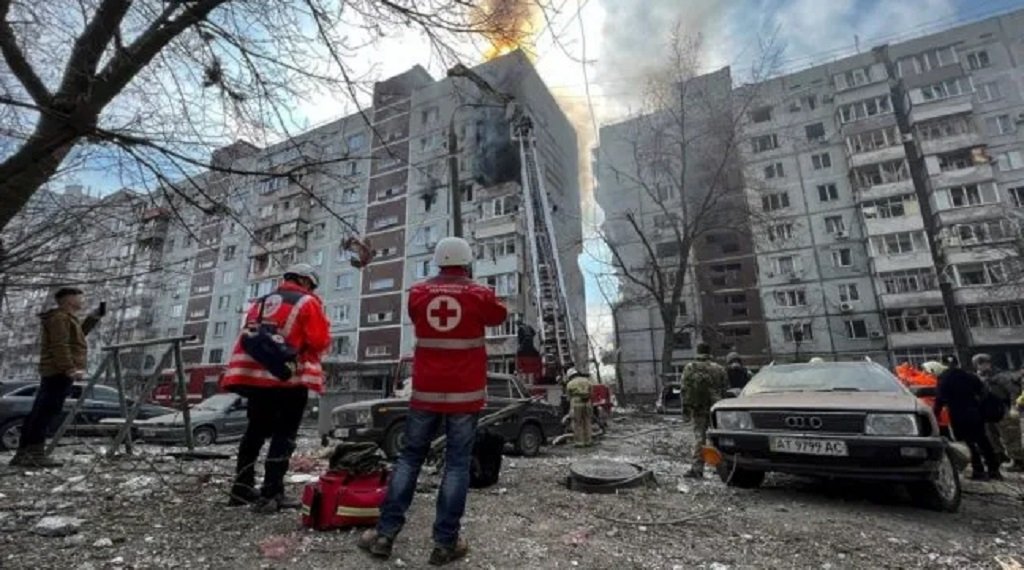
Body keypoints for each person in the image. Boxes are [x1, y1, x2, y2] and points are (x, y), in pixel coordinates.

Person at [359, 237, 507, 566]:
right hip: (464, 396)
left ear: (438, 260)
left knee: (409, 459)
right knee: (456, 465)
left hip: (425, 392)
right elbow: (499, 316)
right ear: (467, 261)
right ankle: (445, 543)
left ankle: (385, 534)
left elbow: (417, 315)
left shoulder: (419, 293)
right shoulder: (479, 294)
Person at [223, 263, 331, 512]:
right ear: (305, 281)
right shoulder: (307, 302)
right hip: (287, 378)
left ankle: (241, 489)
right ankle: (271, 493)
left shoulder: (261, 301)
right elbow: (319, 340)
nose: (312, 290)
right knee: (284, 434)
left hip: (256, 380)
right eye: (312, 286)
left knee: (255, 432)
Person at [10, 287, 104, 468]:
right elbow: (59, 345)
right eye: (79, 298)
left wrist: (93, 318)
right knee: (45, 412)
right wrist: (69, 368)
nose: (82, 301)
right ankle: (34, 455)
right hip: (58, 372)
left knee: (40, 412)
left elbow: (76, 338)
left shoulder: (65, 319)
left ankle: (23, 455)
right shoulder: (59, 318)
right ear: (69, 299)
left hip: (55, 371)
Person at [934, 356, 1001, 480]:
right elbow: (984, 393)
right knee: (983, 441)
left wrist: (935, 414)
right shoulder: (970, 376)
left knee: (968, 443)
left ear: (942, 364)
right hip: (975, 412)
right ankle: (994, 470)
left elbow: (940, 399)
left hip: (958, 414)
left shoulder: (944, 378)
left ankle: (978, 470)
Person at [681, 342, 727, 479]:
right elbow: (725, 389)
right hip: (715, 409)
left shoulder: (690, 367)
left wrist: (685, 411)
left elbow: (684, 389)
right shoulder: (719, 368)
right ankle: (722, 468)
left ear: (698, 351)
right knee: (718, 438)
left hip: (698, 409)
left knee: (699, 439)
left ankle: (697, 469)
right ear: (709, 352)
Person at [973, 353, 1023, 471]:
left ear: (988, 363)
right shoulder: (979, 378)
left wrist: (1013, 408)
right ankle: (1000, 456)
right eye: (978, 364)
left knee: (1010, 435)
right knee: (991, 435)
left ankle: (1018, 460)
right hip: (988, 411)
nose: (981, 366)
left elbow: (1013, 392)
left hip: (1003, 408)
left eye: (983, 363)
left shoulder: (1000, 376)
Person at [565, 368, 596, 447]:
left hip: (576, 404)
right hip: (587, 403)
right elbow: (592, 393)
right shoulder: (587, 381)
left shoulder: (570, 384)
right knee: (587, 422)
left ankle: (579, 442)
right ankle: (588, 441)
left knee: (577, 423)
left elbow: (568, 398)